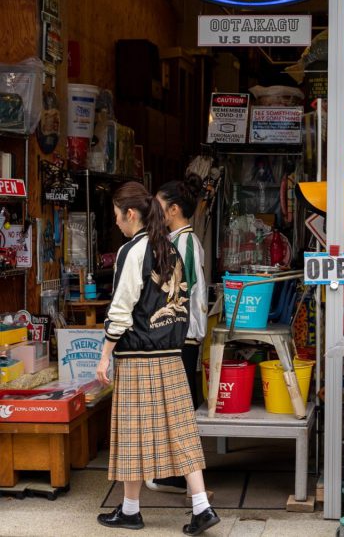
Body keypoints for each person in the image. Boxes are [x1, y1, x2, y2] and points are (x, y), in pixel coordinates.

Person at [95, 181, 220, 535]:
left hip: (138, 355)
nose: (117, 223)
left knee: (131, 435)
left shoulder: (132, 251)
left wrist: (105, 355)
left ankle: (132, 511)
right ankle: (201, 507)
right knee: (181, 431)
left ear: (130, 214)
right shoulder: (170, 247)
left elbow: (121, 309)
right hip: (171, 352)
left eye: (117, 217)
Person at [146, 176, 208, 496]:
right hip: (184, 333)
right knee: (179, 404)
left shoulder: (183, 243)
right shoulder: (182, 240)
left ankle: (177, 475)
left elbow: (182, 293)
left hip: (180, 335)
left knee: (178, 406)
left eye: (158, 206)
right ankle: (178, 473)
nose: (154, 212)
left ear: (172, 209)